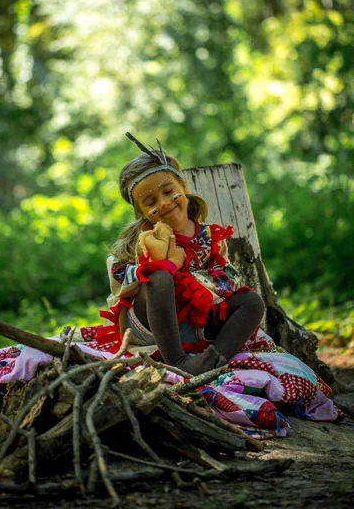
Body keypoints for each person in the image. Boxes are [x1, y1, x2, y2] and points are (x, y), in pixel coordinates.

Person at [98, 133, 265, 376]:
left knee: (252, 301)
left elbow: (229, 279)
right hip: (149, 328)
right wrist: (168, 267)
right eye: (150, 201)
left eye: (168, 191)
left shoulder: (210, 238)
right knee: (158, 278)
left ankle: (212, 359)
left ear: (184, 187)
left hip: (198, 325)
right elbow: (122, 288)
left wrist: (193, 280)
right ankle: (178, 361)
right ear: (142, 212)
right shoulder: (140, 241)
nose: (164, 203)